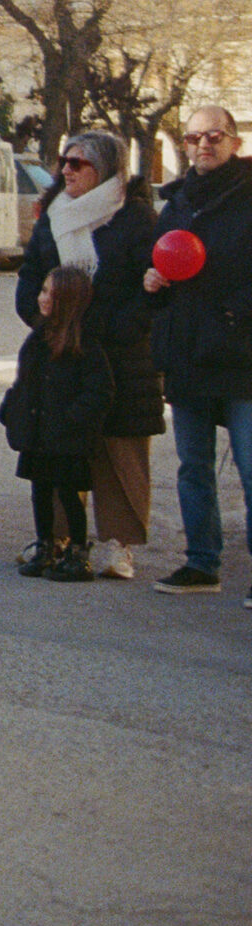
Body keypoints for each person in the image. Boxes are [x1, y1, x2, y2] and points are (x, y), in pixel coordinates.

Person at [14, 129, 161, 577]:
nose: (66, 170)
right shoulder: (54, 214)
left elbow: (149, 284)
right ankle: (57, 537)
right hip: (62, 350)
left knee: (121, 450)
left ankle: (119, 543)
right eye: (64, 161)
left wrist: (117, 329)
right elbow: (32, 271)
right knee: (59, 443)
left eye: (78, 163)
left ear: (106, 169)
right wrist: (42, 319)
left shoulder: (134, 217)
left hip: (121, 352)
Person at [142, 105, 252, 598]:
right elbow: (164, 261)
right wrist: (153, 281)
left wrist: (232, 314)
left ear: (234, 143)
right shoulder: (177, 203)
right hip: (188, 353)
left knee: (250, 467)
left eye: (214, 135)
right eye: (193, 138)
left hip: (240, 354)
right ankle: (202, 563)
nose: (203, 145)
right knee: (193, 466)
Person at [6, 267, 116, 581]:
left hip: (67, 437)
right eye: (42, 291)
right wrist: (11, 411)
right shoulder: (38, 339)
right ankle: (45, 545)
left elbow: (100, 391)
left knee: (68, 493)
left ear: (67, 301)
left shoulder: (84, 344)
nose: (41, 299)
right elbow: (23, 383)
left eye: (50, 294)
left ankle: (78, 551)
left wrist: (73, 419)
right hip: (38, 433)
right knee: (40, 491)